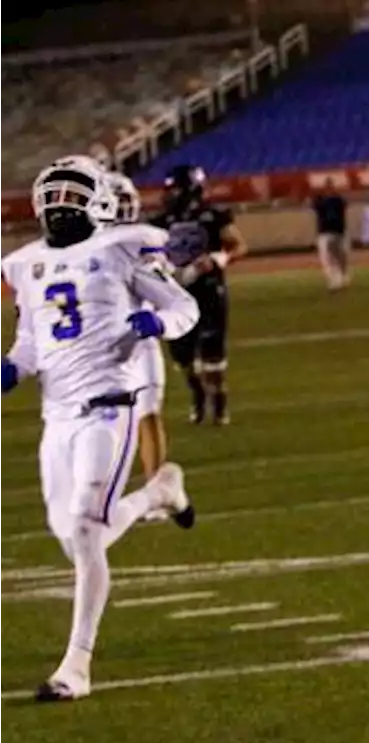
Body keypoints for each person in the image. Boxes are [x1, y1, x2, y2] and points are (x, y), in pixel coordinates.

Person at [0, 156, 198, 701]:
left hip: (110, 405)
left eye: (72, 193)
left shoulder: (121, 248)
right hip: (56, 415)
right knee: (72, 535)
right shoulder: (23, 264)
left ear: (98, 201)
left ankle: (76, 666)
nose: (60, 204)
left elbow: (184, 307)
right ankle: (159, 490)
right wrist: (12, 368)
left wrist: (156, 321)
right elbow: (31, 342)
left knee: (86, 530)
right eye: (53, 194)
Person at [105, 171, 196, 527]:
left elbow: (169, 280)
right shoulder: (80, 247)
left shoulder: (144, 240)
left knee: (147, 414)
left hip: (140, 342)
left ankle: (158, 488)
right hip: (97, 349)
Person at [151, 164, 248, 426]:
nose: (169, 195)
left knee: (212, 352)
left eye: (175, 189)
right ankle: (197, 393)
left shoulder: (213, 216)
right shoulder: (160, 222)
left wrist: (218, 259)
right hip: (175, 296)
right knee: (182, 356)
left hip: (208, 291)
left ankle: (219, 400)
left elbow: (238, 246)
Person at [312, 178, 350, 292]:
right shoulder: (320, 200)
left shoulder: (338, 200)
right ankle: (333, 281)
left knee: (341, 256)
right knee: (327, 259)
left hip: (338, 231)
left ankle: (342, 277)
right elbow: (316, 206)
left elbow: (343, 206)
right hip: (324, 232)